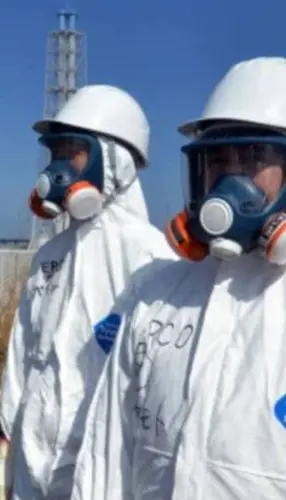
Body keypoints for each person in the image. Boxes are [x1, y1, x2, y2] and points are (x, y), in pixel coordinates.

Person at [70, 56, 286, 500]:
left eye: (252, 159)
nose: (230, 179)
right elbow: (108, 452)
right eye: (218, 161)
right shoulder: (157, 295)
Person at [0, 85, 179, 500]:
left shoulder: (150, 255)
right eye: (55, 152)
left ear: (115, 161)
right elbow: (23, 354)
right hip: (34, 456)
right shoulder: (50, 256)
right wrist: (8, 443)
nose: (59, 167)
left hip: (100, 466)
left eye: (74, 151)